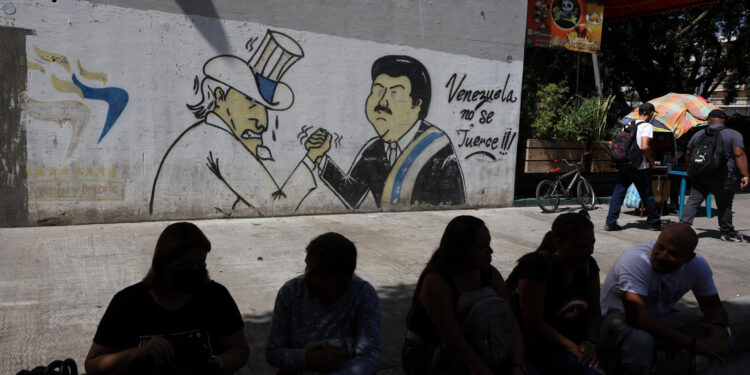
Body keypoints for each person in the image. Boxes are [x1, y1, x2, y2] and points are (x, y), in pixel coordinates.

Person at [150, 30, 318, 218]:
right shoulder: (218, 141)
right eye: (251, 103)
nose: (262, 122)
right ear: (219, 96)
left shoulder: (206, 134)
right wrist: (312, 158)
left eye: (265, 109)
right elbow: (275, 206)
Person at [84, 222, 249, 375]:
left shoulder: (216, 297)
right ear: (162, 265)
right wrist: (136, 353)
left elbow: (239, 351)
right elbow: (93, 365)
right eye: (184, 265)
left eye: (201, 263)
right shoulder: (128, 303)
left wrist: (214, 364)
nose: (195, 271)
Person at [304, 55, 465, 208]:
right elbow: (352, 193)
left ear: (417, 104)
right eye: (378, 90)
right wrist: (320, 157)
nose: (382, 101)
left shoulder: (437, 148)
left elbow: (455, 206)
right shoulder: (374, 149)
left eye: (394, 93)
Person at [599, 223, 731, 375]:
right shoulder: (635, 260)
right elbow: (638, 318)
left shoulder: (698, 267)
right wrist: (694, 345)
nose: (662, 256)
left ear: (688, 258)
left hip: (656, 319)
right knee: (641, 340)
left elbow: (712, 307)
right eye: (660, 247)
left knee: (718, 335)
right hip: (616, 321)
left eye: (672, 253)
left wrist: (718, 332)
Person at [402, 215, 526, 375]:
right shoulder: (437, 283)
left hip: (479, 343)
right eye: (482, 247)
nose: (491, 251)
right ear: (461, 251)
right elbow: (456, 345)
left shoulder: (489, 274)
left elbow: (511, 322)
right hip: (431, 350)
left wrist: (517, 365)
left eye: (489, 244)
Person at [266, 232, 381, 374]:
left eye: (319, 273)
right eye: (307, 266)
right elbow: (273, 353)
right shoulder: (290, 293)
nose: (308, 277)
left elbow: (368, 354)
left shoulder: (363, 295)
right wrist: (310, 357)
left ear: (344, 278)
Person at [506, 212, 604, 375]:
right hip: (540, 348)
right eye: (582, 246)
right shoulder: (537, 267)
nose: (590, 251)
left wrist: (589, 343)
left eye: (592, 244)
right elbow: (534, 324)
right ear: (559, 243)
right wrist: (573, 349)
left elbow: (594, 310)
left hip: (577, 344)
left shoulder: (588, 266)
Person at [680, 109, 749, 242]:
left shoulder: (699, 134)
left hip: (700, 175)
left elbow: (689, 152)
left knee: (693, 201)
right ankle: (727, 233)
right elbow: (739, 154)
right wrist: (745, 175)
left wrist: (689, 168)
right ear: (724, 120)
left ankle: (682, 229)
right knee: (725, 205)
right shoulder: (734, 134)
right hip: (723, 176)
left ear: (710, 120)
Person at [605, 102, 666, 231]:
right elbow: (644, 146)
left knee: (618, 192)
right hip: (640, 167)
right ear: (650, 114)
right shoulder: (647, 126)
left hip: (625, 164)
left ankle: (610, 222)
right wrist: (651, 160)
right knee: (647, 194)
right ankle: (654, 222)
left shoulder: (628, 125)